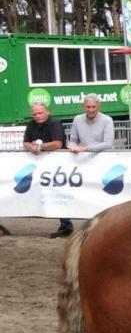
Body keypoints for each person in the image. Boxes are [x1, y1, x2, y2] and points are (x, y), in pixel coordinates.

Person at [23, 102, 70, 238]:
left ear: (47, 112)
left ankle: (66, 224)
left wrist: (40, 146)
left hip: (58, 164)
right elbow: (26, 142)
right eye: (35, 114)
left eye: (40, 113)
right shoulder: (31, 124)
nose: (37, 116)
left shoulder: (55, 123)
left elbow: (57, 144)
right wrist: (31, 147)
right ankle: (64, 224)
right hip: (39, 165)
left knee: (60, 192)